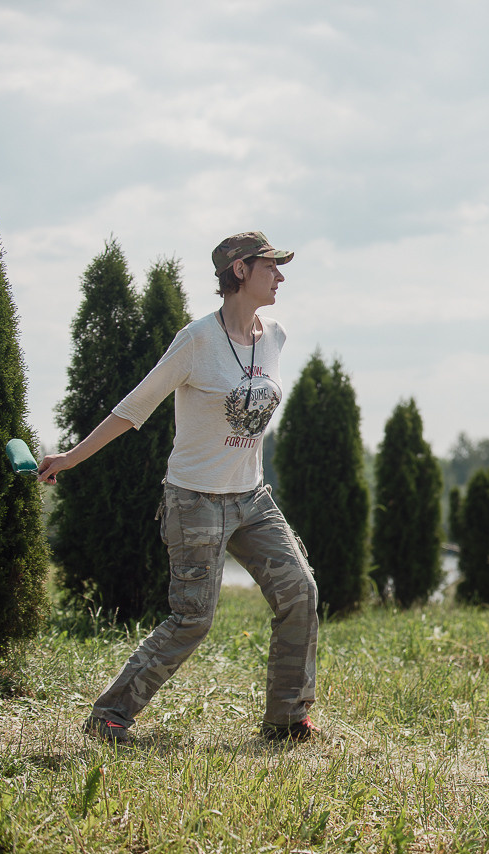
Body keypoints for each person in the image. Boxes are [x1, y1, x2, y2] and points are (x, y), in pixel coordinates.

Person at [38, 232, 320, 744]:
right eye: (271, 266)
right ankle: (109, 715)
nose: (280, 276)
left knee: (300, 591)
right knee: (193, 619)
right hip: (195, 500)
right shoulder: (196, 340)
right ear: (240, 270)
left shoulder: (275, 335)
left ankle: (287, 720)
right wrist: (70, 458)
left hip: (252, 497)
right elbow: (133, 407)